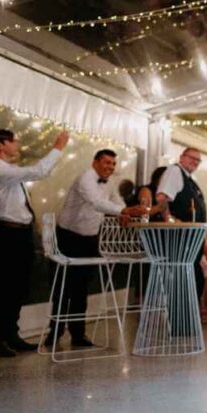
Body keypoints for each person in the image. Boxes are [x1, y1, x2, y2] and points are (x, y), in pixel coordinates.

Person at [45, 149, 148, 348]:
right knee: (63, 288)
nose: (110, 167)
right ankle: (54, 333)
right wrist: (124, 211)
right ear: (95, 162)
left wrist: (124, 212)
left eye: (113, 164)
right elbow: (96, 202)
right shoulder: (85, 178)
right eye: (107, 162)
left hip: (90, 239)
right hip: (68, 236)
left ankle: (77, 334)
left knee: (81, 288)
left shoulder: (109, 183)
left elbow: (116, 200)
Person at [0, 128, 69, 357]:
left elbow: (39, 174)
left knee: (19, 287)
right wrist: (58, 147)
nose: (17, 144)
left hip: (21, 234)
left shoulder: (11, 170)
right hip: (7, 234)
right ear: (0, 145)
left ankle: (12, 334)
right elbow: (39, 171)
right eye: (13, 140)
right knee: (5, 288)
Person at [155, 147, 207, 330]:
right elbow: (162, 197)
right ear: (182, 157)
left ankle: (186, 322)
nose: (195, 162)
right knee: (183, 278)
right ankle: (180, 324)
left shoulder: (188, 178)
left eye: (198, 160)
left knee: (193, 277)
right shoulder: (175, 171)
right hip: (181, 237)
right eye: (192, 158)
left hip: (192, 238)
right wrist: (170, 219)